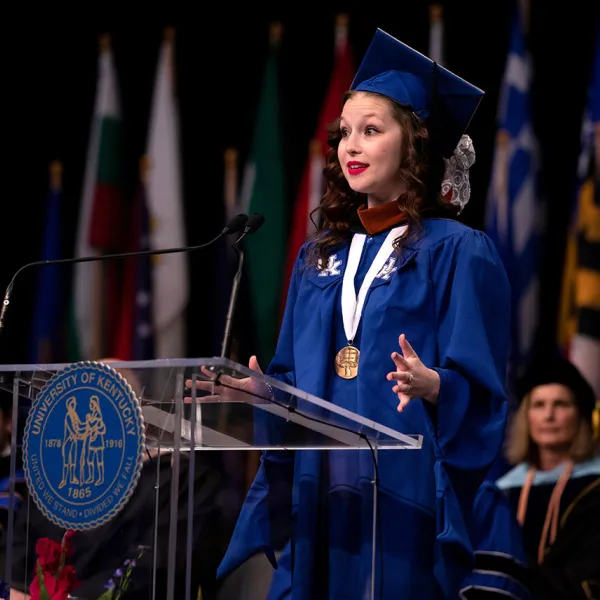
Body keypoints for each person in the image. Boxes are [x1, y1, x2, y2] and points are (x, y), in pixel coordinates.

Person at [198, 29, 512, 599]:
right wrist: (264, 394)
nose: (352, 146)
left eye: (371, 130)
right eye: (345, 133)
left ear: (414, 145)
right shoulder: (317, 258)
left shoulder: (457, 250)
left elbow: (485, 392)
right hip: (322, 488)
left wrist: (436, 384)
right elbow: (296, 378)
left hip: (404, 494)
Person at [496, 354, 600, 599]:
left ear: (580, 416)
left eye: (561, 405)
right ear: (525, 417)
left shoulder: (595, 489)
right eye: (538, 405)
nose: (549, 417)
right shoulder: (503, 491)